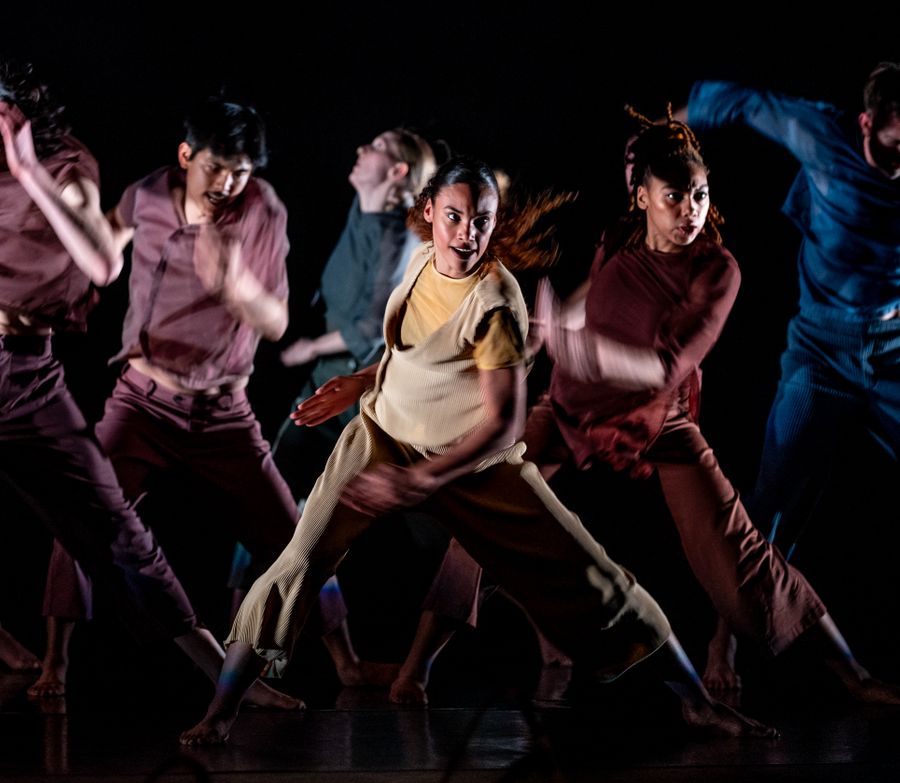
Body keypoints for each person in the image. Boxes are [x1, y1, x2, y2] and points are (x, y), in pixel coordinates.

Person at [180, 154, 779, 746]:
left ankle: (697, 704)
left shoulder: (496, 303)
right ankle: (222, 711)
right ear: (429, 212)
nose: (468, 233)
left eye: (481, 221)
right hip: (384, 438)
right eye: (455, 217)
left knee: (590, 574)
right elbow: (410, 355)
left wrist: (424, 480)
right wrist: (360, 383)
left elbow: (502, 423)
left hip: (473, 462)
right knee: (296, 564)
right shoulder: (421, 261)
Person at [387, 112, 900, 712]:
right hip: (572, 405)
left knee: (737, 550)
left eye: (699, 196)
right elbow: (585, 305)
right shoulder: (617, 240)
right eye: (674, 196)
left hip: (656, 417)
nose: (690, 211)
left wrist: (587, 349)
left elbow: (666, 366)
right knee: (486, 512)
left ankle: (851, 674)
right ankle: (415, 670)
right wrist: (544, 330)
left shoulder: (717, 269)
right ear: (642, 196)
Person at [0, 60, 297, 710]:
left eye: (242, 171)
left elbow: (274, 321)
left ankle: (306, 666)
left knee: (290, 540)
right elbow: (108, 245)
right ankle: (51, 660)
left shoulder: (259, 210)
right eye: (217, 167)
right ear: (187, 157)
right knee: (83, 535)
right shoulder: (150, 195)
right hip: (143, 399)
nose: (229, 183)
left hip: (218, 411)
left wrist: (234, 286)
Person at [679, 64, 900, 692]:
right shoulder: (821, 134)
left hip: (893, 351)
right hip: (823, 350)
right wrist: (662, 134)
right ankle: (722, 647)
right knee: (774, 502)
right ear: (867, 124)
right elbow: (744, 101)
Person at [227, 128, 436, 646]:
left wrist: (307, 347)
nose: (360, 149)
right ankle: (250, 639)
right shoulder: (362, 212)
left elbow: (370, 328)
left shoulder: (398, 237)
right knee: (279, 511)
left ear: (397, 171)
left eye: (375, 147)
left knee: (427, 524)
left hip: (364, 393)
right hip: (329, 384)